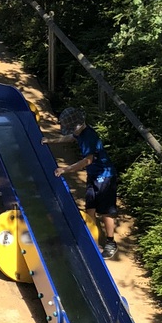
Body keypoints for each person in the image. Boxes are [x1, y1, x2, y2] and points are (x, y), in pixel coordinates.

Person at [53, 105, 119, 258]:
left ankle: (111, 242)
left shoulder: (89, 137)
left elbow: (87, 161)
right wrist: (50, 140)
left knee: (106, 211)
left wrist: (65, 169)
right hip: (93, 176)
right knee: (90, 208)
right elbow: (70, 138)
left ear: (77, 126)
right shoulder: (80, 133)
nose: (71, 132)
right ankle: (92, 240)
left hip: (105, 176)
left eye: (71, 129)